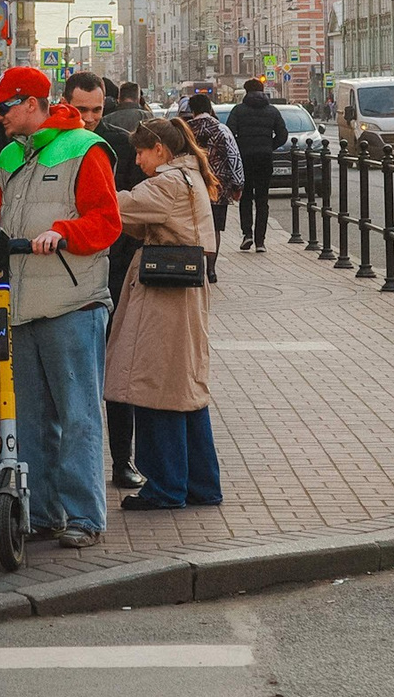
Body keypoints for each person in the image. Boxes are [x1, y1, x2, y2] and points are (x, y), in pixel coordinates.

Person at [0, 64, 122, 548]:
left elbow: (107, 221)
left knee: (78, 414)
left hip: (73, 303)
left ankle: (84, 517)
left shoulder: (84, 149)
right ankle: (39, 513)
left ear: (30, 105)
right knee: (30, 417)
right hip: (23, 303)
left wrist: (65, 232)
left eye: (4, 106)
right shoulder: (12, 156)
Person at [105, 118, 222, 512]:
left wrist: (89, 186)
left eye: (141, 151)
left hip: (165, 297)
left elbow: (120, 206)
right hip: (183, 294)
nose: (137, 160)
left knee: (155, 388)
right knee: (185, 390)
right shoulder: (188, 178)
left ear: (160, 149)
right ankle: (202, 485)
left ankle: (165, 488)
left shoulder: (168, 183)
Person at [62, 70, 146, 494]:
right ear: (65, 103)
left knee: (116, 366)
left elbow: (131, 205)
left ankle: (121, 459)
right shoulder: (51, 143)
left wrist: (126, 258)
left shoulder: (118, 143)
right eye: (82, 110)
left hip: (113, 268)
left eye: (97, 109)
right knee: (73, 371)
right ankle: (72, 464)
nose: (90, 117)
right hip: (63, 268)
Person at [182, 94, 242, 271]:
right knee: (215, 228)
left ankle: (196, 268)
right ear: (209, 108)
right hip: (217, 186)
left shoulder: (185, 131)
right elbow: (234, 157)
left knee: (195, 227)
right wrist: (238, 185)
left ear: (192, 111)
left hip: (191, 185)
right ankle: (211, 269)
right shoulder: (222, 129)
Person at [225, 79, 287, 250]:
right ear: (262, 91)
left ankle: (247, 235)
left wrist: (240, 147)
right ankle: (261, 241)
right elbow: (283, 134)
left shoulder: (238, 110)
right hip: (264, 159)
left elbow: (229, 133)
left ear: (246, 92)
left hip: (245, 159)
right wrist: (269, 146)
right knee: (262, 199)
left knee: (245, 197)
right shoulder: (272, 111)